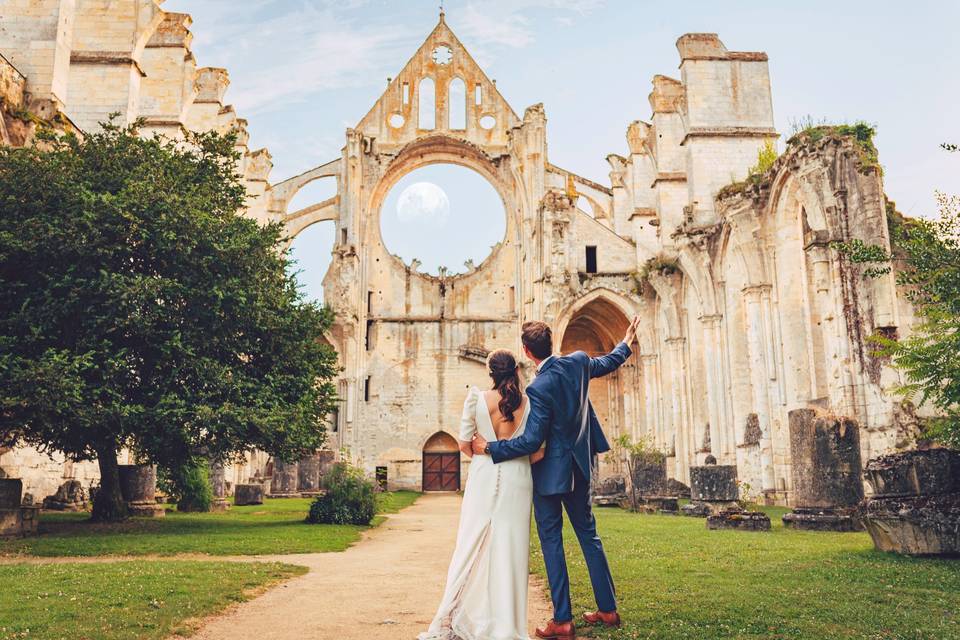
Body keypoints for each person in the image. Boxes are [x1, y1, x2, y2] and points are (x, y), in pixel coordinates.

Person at [471, 317, 640, 640]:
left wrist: (490, 447)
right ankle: (608, 609)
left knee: (552, 543)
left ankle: (562, 620)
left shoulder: (538, 387)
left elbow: (531, 441)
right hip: (580, 466)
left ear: (527, 351)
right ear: (551, 343)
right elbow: (608, 362)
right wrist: (626, 341)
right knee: (589, 537)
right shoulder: (577, 361)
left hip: (550, 475)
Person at [419, 348, 545, 640]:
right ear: (515, 370)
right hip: (518, 479)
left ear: (491, 373)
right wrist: (518, 458)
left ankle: (452, 617)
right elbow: (537, 452)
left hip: (483, 474)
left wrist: (483, 449)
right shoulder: (529, 404)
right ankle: (508, 626)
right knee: (511, 550)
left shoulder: (476, 399)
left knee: (469, 545)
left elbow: (465, 444)